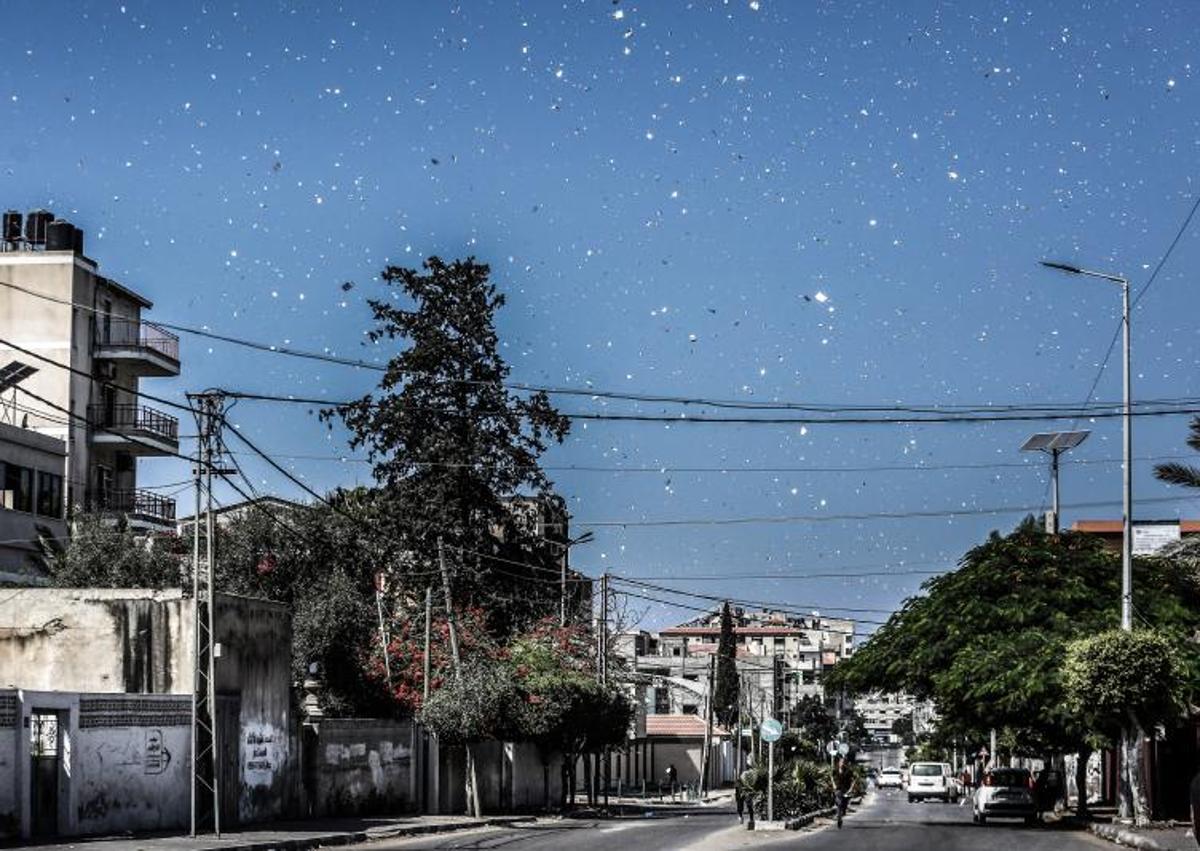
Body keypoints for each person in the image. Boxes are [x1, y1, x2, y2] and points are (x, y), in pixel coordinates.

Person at [831, 756, 855, 829]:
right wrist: (834, 785)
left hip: (846, 790)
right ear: (839, 763)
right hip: (838, 789)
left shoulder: (848, 771)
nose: (842, 764)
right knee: (839, 803)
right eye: (841, 762)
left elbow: (854, 780)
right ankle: (839, 818)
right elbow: (831, 777)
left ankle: (842, 813)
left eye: (844, 762)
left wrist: (851, 788)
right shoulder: (835, 770)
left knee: (844, 804)